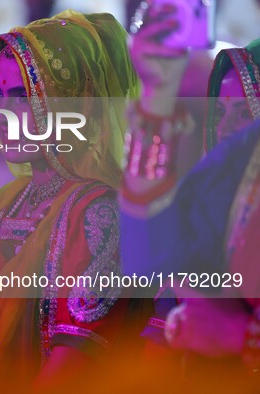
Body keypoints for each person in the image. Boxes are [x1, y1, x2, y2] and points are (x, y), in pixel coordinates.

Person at [0, 10, 146, 391]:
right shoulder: (2, 204)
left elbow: (73, 366)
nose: (0, 114)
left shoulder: (100, 210)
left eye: (23, 97)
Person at [121, 3, 260, 389]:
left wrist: (240, 336)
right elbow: (148, 258)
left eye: (244, 109)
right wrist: (157, 96)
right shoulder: (236, 170)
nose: (227, 125)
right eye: (221, 110)